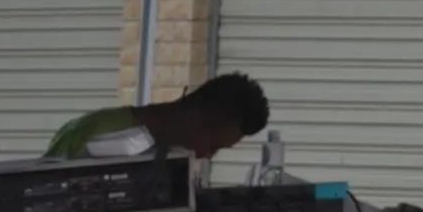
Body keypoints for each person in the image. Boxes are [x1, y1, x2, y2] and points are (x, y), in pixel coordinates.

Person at [45, 71, 272, 161]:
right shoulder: (104, 137)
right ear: (194, 118)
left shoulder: (156, 153)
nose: (207, 156)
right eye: (213, 146)